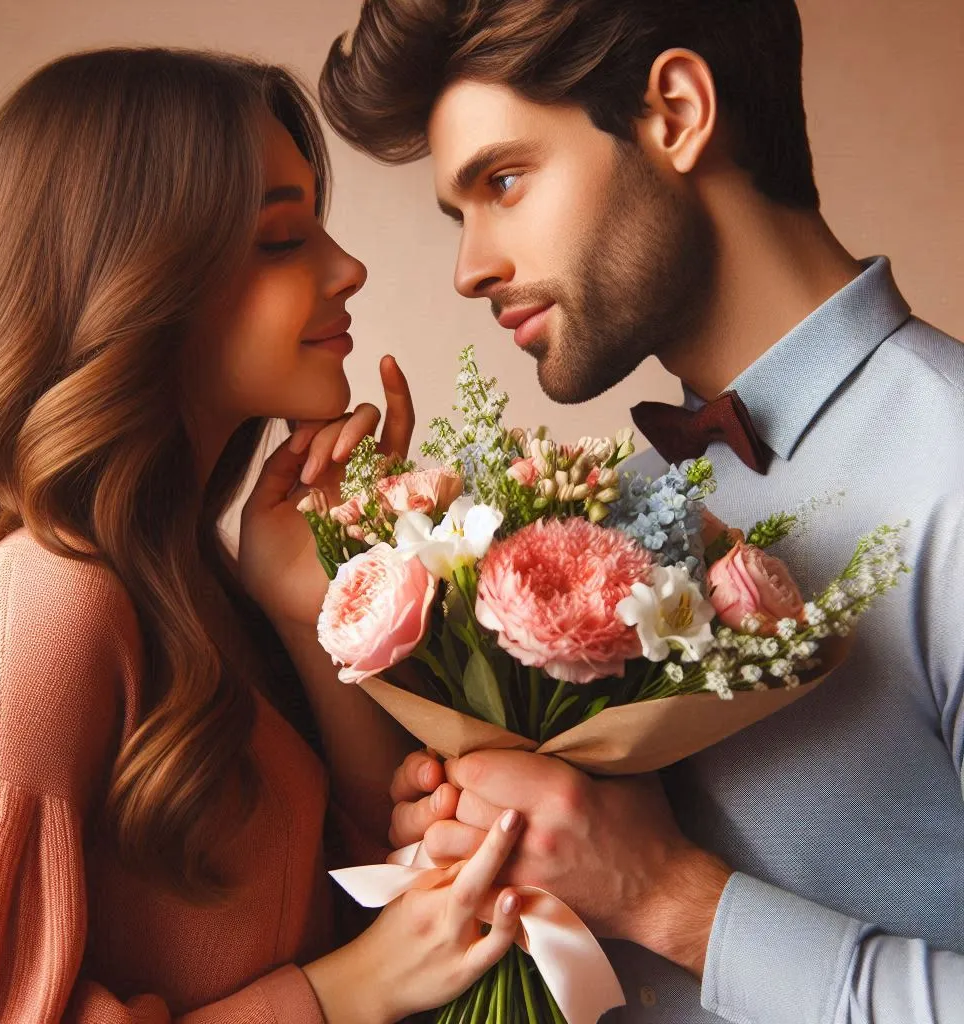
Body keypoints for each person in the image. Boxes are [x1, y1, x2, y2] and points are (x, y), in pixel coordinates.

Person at [319, 2, 964, 1021]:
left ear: (673, 112)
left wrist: (668, 899)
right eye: (460, 213)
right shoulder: (608, 509)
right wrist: (478, 824)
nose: (469, 268)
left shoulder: (952, 472)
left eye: (502, 181)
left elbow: (646, 889)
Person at [0, 47, 526, 1024]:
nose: (349, 267)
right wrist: (336, 997)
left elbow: (356, 896)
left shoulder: (190, 581)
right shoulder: (46, 602)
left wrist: (307, 613)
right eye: (282, 238)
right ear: (142, 283)